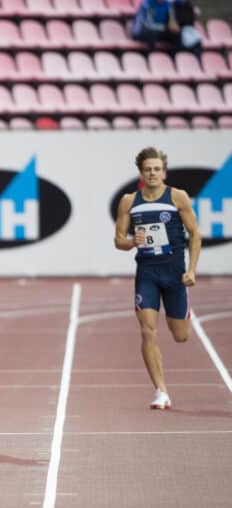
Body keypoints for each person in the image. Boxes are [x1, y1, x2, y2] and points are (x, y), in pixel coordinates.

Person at [113, 146, 201, 410]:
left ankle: (182, 312)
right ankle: (161, 391)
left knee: (180, 336)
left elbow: (195, 234)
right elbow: (118, 240)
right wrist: (131, 242)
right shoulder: (129, 201)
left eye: (157, 169)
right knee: (147, 331)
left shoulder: (178, 197)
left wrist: (192, 270)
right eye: (148, 169)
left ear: (164, 172)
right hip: (147, 273)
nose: (152, 173)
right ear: (141, 173)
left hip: (174, 273)